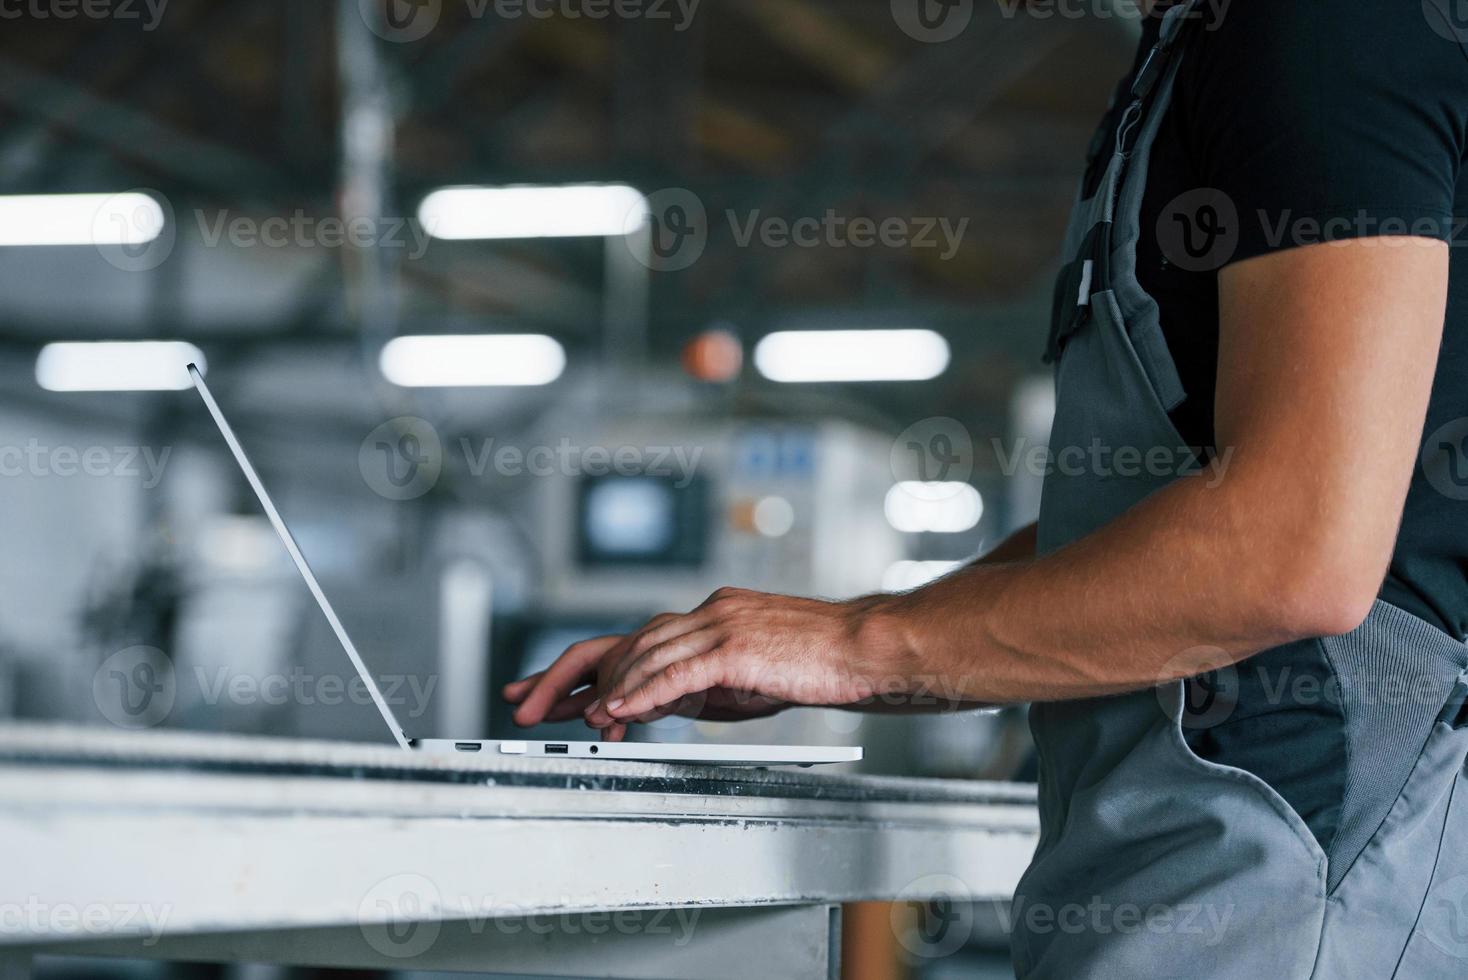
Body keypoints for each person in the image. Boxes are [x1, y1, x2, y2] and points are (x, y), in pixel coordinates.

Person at [507, 1, 1468, 975]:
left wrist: (854, 646)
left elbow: (1294, 547)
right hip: (1171, 874)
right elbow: (1129, 526)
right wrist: (826, 636)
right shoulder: (1206, 52)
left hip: (1297, 894)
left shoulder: (1326, 30)